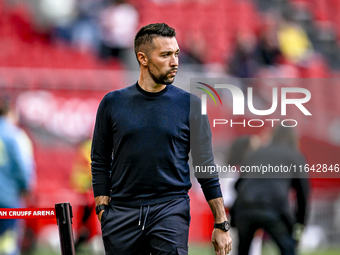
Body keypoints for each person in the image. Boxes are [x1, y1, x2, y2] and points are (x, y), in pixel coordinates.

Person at [91, 23, 232, 255]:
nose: (174, 61)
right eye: (165, 55)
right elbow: (100, 160)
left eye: (176, 54)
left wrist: (221, 223)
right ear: (143, 58)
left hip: (170, 209)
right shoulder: (112, 103)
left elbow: (205, 165)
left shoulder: (191, 105)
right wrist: (103, 209)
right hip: (121, 213)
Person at [231, 126, 310, 255]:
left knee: (242, 250)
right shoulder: (295, 156)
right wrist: (299, 225)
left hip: (244, 207)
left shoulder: (256, 153)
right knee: (288, 249)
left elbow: (238, 185)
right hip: (274, 208)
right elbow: (303, 194)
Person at [0, 95, 35, 255]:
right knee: (8, 242)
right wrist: (27, 188)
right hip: (8, 198)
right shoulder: (15, 136)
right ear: (11, 112)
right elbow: (23, 167)